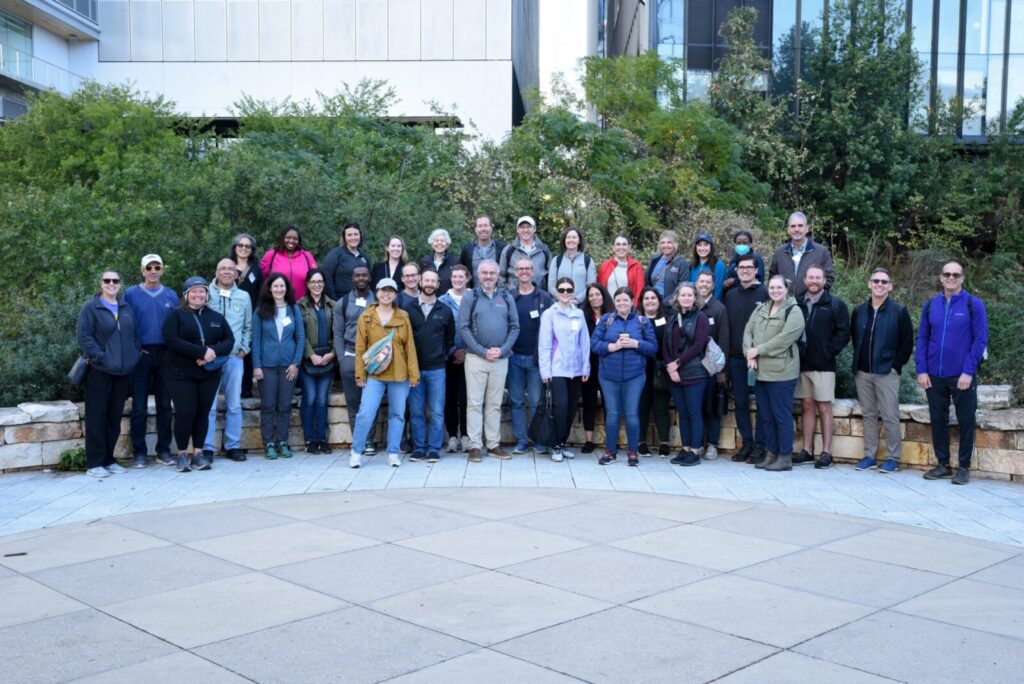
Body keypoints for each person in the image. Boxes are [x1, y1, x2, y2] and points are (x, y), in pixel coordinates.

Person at [917, 261, 988, 486]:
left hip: (962, 375)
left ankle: (964, 467)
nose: (951, 278)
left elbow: (980, 340)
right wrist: (921, 369)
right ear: (941, 278)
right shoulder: (930, 306)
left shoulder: (973, 305)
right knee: (938, 420)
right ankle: (943, 465)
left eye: (955, 275)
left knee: (966, 421)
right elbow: (922, 339)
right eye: (947, 274)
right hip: (934, 375)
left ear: (962, 278)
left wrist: (968, 371)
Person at [162, 277, 235, 473]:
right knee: (185, 413)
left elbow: (229, 341)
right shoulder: (175, 316)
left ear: (207, 294)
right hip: (180, 373)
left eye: (201, 291)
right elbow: (171, 340)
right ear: (186, 295)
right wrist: (201, 352)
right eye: (193, 292)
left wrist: (210, 352)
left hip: (208, 374)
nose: (198, 295)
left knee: (203, 413)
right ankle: (182, 454)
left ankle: (198, 454)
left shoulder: (216, 317)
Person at [349, 278, 420, 468]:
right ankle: (356, 451)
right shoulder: (367, 316)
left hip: (399, 374)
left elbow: (410, 347)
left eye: (390, 291)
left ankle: (393, 452)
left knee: (397, 414)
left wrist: (414, 375)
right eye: (383, 290)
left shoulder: (403, 316)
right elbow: (360, 348)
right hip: (375, 375)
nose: (386, 294)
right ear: (377, 292)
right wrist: (360, 375)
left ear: (396, 294)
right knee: (365, 413)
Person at [849, 267, 914, 473]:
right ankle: (869, 455)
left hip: (887, 371)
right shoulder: (859, 311)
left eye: (884, 282)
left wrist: (895, 366)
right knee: (868, 414)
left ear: (890, 287)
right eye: (875, 281)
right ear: (869, 284)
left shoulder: (899, 311)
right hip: (863, 372)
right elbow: (855, 337)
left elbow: (907, 342)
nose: (879, 285)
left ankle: (892, 458)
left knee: (890, 415)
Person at [77, 270, 141, 478]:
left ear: (120, 284)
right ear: (101, 283)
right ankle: (94, 463)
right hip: (100, 371)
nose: (111, 283)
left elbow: (135, 335)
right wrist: (101, 357)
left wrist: (133, 357)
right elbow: (85, 337)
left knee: (114, 418)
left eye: (115, 280)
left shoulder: (126, 307)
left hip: (122, 373)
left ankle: (109, 459)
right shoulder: (91, 307)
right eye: (107, 280)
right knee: (97, 418)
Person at [459, 259, 520, 462]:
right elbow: (464, 327)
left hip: (500, 359)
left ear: (497, 275)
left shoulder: (506, 296)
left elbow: (514, 327)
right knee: (474, 403)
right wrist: (482, 351)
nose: (488, 277)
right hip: (476, 358)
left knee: (494, 404)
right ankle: (475, 446)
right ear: (478, 274)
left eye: (492, 273)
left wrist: (502, 350)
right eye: (484, 273)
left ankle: (493, 444)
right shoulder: (470, 297)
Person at [743, 275, 805, 472]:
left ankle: (785, 456)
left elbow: (785, 339)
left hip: (782, 373)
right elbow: (748, 331)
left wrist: (758, 350)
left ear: (786, 289)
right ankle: (771, 453)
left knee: (781, 416)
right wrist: (749, 354)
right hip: (761, 372)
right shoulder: (761, 308)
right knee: (766, 416)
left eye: (779, 287)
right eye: (772, 287)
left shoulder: (794, 311)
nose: (775, 291)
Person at [591, 287, 657, 467]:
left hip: (634, 375)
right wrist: (613, 347)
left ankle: (632, 451)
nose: (622, 303)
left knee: (631, 414)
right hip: (608, 375)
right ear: (614, 302)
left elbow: (653, 348)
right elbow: (594, 344)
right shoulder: (606, 320)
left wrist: (636, 344)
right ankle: (610, 451)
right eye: (618, 300)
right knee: (612, 414)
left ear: (632, 301)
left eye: (625, 300)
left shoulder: (642, 321)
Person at [794, 265, 850, 467]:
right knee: (806, 406)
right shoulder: (797, 302)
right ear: (805, 280)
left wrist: (830, 351)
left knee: (825, 407)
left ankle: (826, 452)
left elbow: (844, 332)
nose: (814, 281)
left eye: (818, 277)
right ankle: (807, 450)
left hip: (824, 365)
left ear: (824, 280)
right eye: (811, 277)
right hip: (801, 364)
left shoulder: (835, 304)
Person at [125, 253, 178, 468]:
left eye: (157, 267)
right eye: (149, 267)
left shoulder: (172, 296)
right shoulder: (130, 294)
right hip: (141, 355)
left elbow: (177, 325)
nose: (153, 271)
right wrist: (134, 350)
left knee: (165, 405)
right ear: (142, 270)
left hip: (165, 355)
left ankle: (163, 450)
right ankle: (139, 452)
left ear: (162, 270)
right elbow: (124, 324)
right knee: (139, 406)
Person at [202, 258, 253, 463]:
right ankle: (207, 447)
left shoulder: (244, 296)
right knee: (209, 405)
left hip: (234, 358)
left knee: (234, 404)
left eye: (231, 269)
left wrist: (244, 349)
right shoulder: (205, 293)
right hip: (211, 358)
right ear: (216, 271)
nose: (226, 272)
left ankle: (233, 445)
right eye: (222, 268)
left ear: (236, 274)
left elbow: (248, 326)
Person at [404, 269, 455, 463]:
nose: (429, 284)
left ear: (438, 283)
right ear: (419, 282)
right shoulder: (408, 309)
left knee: (436, 411)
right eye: (426, 280)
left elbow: (450, 339)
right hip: (414, 369)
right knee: (416, 411)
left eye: (433, 281)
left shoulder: (445, 310)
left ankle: (433, 448)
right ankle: (419, 448)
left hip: (437, 369)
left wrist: (442, 354)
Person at [252, 272, 304, 460]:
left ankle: (282, 441)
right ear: (269, 288)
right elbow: (256, 339)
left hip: (288, 367)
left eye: (282, 286)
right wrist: (256, 365)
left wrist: (295, 363)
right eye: (275, 286)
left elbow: (300, 338)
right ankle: (269, 444)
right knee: (268, 405)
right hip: (266, 365)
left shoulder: (293, 309)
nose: (279, 289)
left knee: (284, 406)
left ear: (287, 289)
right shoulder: (260, 310)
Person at [538, 277, 591, 462]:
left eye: (569, 289)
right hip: (558, 368)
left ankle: (563, 441)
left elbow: (584, 342)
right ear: (556, 291)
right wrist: (545, 371)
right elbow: (544, 345)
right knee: (560, 407)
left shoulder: (579, 313)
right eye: (562, 289)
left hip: (576, 370)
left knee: (571, 409)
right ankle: (556, 445)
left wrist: (586, 366)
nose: (566, 293)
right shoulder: (549, 314)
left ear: (574, 291)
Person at [723, 254, 768, 464]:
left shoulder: (766, 292)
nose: (745, 271)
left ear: (756, 270)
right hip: (736, 358)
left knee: (762, 403)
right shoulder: (730, 295)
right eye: (741, 267)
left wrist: (758, 351)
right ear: (737, 270)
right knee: (740, 403)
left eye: (749, 267)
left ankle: (761, 445)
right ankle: (747, 443)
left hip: (760, 358)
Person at [508, 258, 554, 455]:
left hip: (536, 360)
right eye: (520, 269)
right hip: (513, 358)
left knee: (537, 402)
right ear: (515, 272)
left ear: (533, 271)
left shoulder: (544, 297)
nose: (524, 271)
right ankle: (521, 439)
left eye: (527, 268)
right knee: (517, 402)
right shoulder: (508, 296)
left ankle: (539, 440)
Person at [664, 282, 711, 467]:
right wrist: (670, 366)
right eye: (683, 295)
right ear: (677, 297)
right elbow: (665, 344)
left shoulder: (701, 318)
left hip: (694, 373)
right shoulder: (672, 318)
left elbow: (698, 346)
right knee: (682, 413)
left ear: (695, 297)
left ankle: (695, 450)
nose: (686, 298)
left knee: (694, 412)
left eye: (689, 295)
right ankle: (685, 448)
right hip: (674, 374)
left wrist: (677, 364)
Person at [332, 265, 377, 456]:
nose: (361, 278)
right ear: (352, 278)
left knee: (370, 402)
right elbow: (338, 333)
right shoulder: (342, 303)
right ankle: (358, 440)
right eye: (357, 275)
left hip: (374, 358)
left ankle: (370, 441)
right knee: (354, 402)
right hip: (350, 356)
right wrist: (342, 358)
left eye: (364, 275)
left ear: (369, 278)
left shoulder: (378, 300)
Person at [298, 268, 337, 454]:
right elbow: (299, 334)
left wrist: (332, 354)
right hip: (308, 361)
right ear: (307, 284)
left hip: (327, 360)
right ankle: (309, 440)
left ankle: (321, 438)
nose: (316, 285)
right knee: (310, 398)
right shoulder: (300, 306)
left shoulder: (333, 306)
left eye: (319, 281)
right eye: (313, 281)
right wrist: (310, 354)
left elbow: (339, 333)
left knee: (322, 400)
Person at [695, 271, 730, 460]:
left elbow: (724, 340)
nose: (704, 284)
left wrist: (721, 370)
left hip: (711, 366)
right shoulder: (691, 305)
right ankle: (698, 443)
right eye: (701, 281)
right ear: (696, 283)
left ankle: (712, 444)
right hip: (692, 366)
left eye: (708, 282)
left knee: (711, 406)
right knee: (697, 406)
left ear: (713, 285)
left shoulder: (719, 308)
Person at [636, 287, 672, 458]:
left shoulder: (668, 320)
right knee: (642, 406)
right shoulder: (636, 320)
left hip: (661, 369)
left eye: (653, 298)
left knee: (661, 407)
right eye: (646, 298)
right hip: (640, 368)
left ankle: (664, 442)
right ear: (641, 302)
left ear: (659, 301)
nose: (650, 301)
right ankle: (641, 442)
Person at [769, 212, 835, 298]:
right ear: (788, 230)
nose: (796, 229)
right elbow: (773, 277)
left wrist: (813, 297)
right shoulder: (780, 253)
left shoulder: (821, 252)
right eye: (793, 226)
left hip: (812, 305)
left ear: (807, 228)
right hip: (786, 304)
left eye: (800, 226)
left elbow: (829, 278)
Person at [580, 283, 613, 453]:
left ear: (603, 295)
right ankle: (589, 441)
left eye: (597, 294)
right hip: (589, 365)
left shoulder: (612, 316)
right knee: (589, 402)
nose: (594, 298)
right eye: (591, 295)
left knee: (610, 403)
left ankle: (611, 439)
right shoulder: (583, 317)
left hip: (608, 365)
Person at [229, 234, 262, 397]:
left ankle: (246, 388)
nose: (243, 248)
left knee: (247, 351)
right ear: (235, 248)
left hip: (250, 316)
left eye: (247, 246)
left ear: (252, 250)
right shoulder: (227, 267)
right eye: (240, 245)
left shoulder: (256, 270)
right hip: (229, 317)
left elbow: (261, 293)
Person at [260, 225, 318, 300]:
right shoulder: (271, 255)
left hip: (303, 305)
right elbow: (262, 277)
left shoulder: (307, 256)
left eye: (295, 238)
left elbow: (315, 277)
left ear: (298, 240)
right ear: (282, 238)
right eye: (288, 237)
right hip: (276, 302)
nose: (291, 241)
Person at [499, 216, 552, 289]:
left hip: (539, 297)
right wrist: (506, 294)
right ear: (517, 230)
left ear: (534, 229)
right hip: (514, 297)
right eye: (522, 227)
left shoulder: (544, 249)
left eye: (529, 227)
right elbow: (501, 275)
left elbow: (551, 276)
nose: (526, 230)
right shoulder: (509, 250)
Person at [322, 221, 372, 300]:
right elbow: (327, 277)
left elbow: (369, 280)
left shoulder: (364, 258)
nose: (353, 238)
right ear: (344, 238)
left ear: (360, 236)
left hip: (361, 302)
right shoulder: (336, 254)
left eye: (356, 234)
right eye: (349, 235)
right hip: (341, 300)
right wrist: (335, 300)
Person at [546, 226, 596, 305]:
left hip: (582, 305)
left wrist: (577, 300)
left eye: (574, 237)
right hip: (560, 305)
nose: (571, 240)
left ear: (579, 241)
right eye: (568, 237)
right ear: (564, 240)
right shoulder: (556, 260)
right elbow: (551, 286)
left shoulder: (588, 261)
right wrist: (563, 298)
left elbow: (591, 286)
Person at [597, 235, 645, 306]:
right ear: (613, 248)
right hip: (609, 310)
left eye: (624, 244)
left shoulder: (636, 266)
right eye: (618, 244)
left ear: (629, 247)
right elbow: (600, 290)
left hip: (629, 310)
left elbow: (640, 291)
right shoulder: (604, 266)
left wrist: (634, 308)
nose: (621, 247)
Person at [459, 215, 506, 286]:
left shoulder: (502, 248)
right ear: (475, 229)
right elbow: (462, 271)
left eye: (486, 225)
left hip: (497, 294)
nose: (483, 229)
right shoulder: (467, 249)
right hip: (473, 294)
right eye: (480, 226)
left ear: (491, 228)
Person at [645, 230, 686, 299]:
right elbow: (646, 281)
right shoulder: (654, 259)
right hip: (653, 301)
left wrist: (666, 302)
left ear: (674, 244)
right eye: (663, 243)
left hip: (671, 304)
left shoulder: (681, 263)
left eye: (669, 242)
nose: (665, 245)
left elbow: (682, 288)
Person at [688, 233, 727, 301]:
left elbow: (718, 292)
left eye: (706, 245)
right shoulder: (692, 265)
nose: (702, 248)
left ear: (711, 247)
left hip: (710, 308)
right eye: (699, 245)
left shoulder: (718, 265)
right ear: (695, 247)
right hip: (693, 306)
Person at [418, 229, 458, 294]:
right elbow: (419, 283)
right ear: (432, 244)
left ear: (447, 244)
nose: (439, 243)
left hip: (448, 301)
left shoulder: (455, 262)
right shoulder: (424, 261)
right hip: (428, 301)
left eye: (442, 241)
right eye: (436, 240)